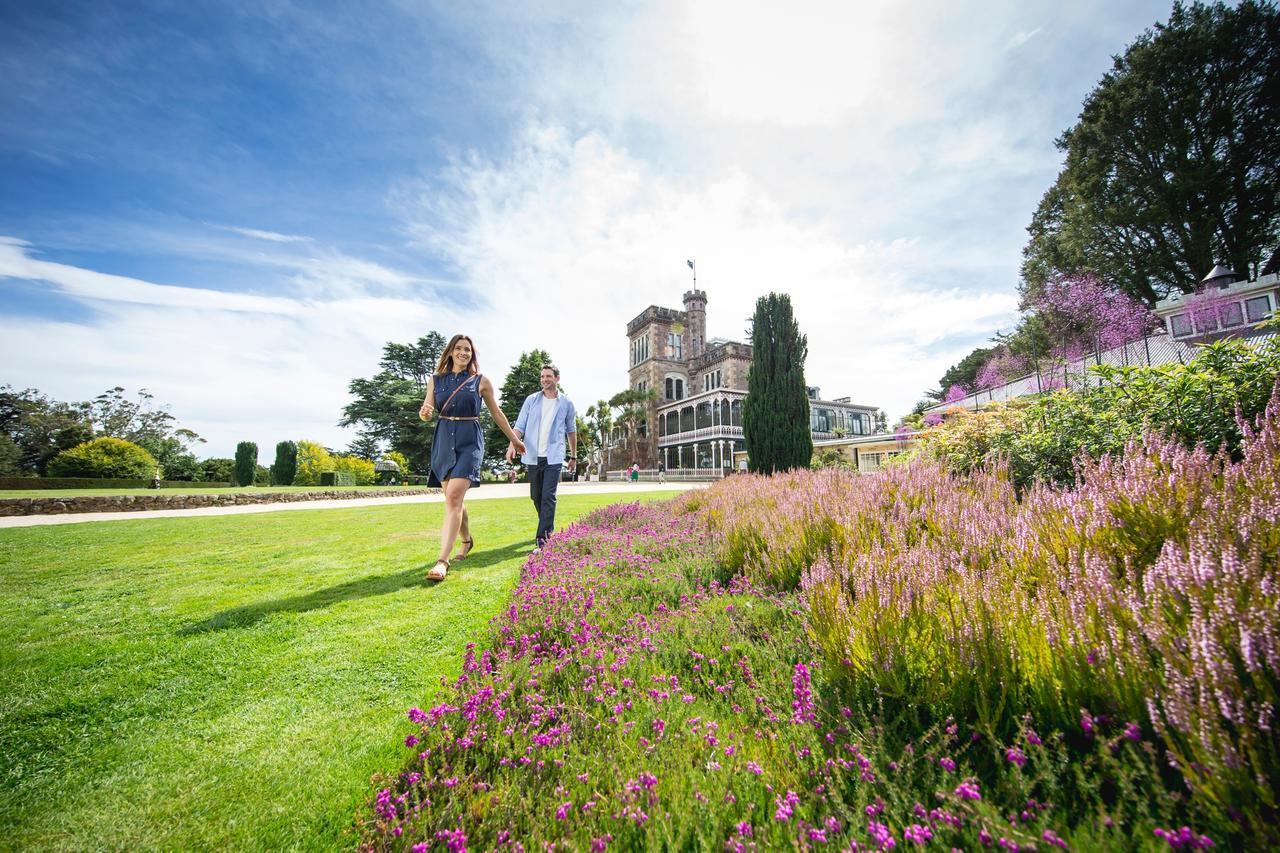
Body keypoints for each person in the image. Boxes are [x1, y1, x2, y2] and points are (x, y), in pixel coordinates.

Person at [418, 334, 525, 582]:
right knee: (454, 500)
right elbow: (427, 412)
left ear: (472, 354)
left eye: (468, 349)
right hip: (444, 441)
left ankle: (442, 562)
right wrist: (424, 413)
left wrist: (514, 440)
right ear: (451, 352)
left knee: (454, 497)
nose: (463, 353)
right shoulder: (435, 381)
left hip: (469, 441)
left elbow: (497, 414)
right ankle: (466, 540)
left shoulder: (481, 381)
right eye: (459, 349)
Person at [505, 363, 576, 549]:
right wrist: (513, 443)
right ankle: (546, 525)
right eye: (542, 376)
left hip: (554, 456)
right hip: (533, 455)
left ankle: (543, 540)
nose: (544, 379)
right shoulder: (531, 400)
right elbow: (520, 425)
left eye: (548, 376)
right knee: (536, 496)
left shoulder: (566, 403)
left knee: (548, 497)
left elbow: (571, 431)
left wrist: (573, 456)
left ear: (557, 378)